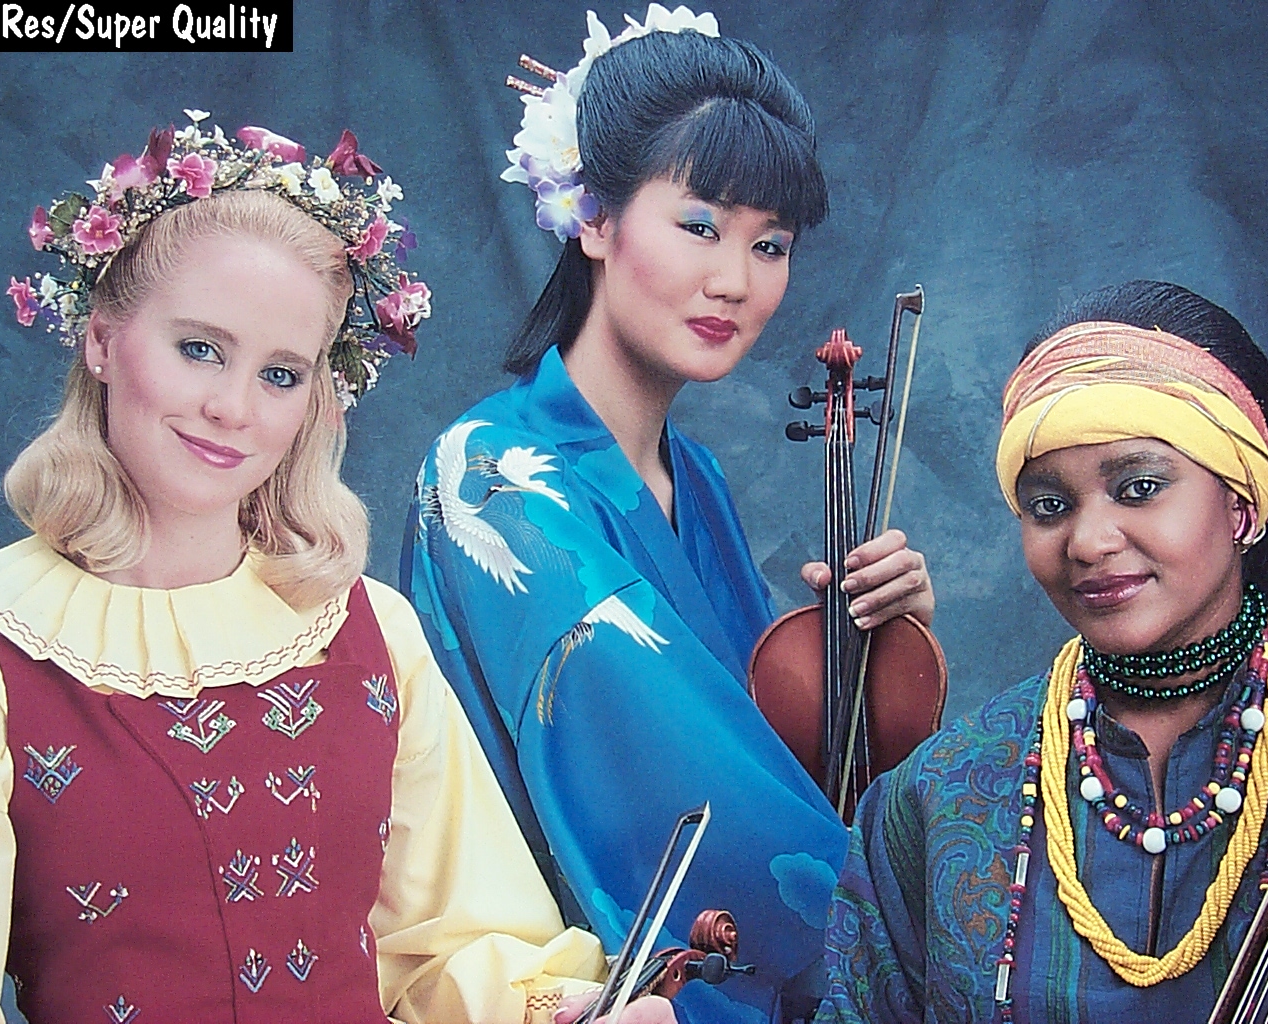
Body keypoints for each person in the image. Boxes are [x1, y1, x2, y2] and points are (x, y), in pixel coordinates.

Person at [0, 112, 675, 1024]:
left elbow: (448, 948)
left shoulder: (373, 633)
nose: (233, 407)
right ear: (104, 341)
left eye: (281, 374)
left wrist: (565, 1013)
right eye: (200, 349)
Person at [400, 7, 934, 1022]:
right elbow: (690, 781)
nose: (735, 280)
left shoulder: (697, 478)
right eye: (700, 226)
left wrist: (872, 657)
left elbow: (773, 747)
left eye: (770, 244)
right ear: (594, 217)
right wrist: (919, 900)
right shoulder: (490, 476)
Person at [814, 280, 1268, 1023]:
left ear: (1242, 504)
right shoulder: (940, 789)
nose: (1087, 542)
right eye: (1049, 506)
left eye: (1139, 487)